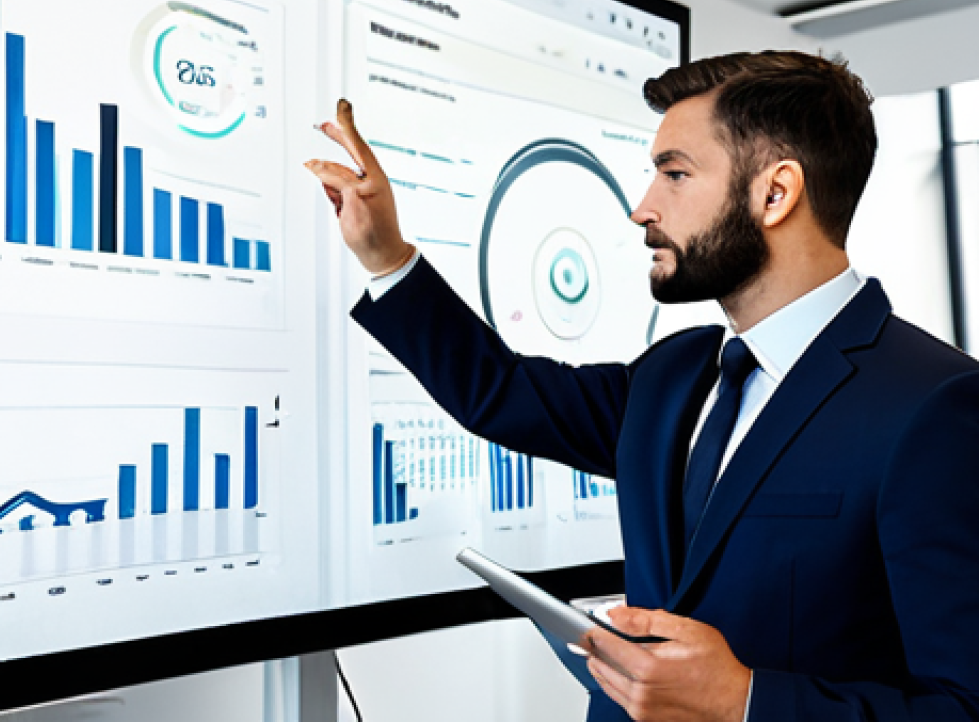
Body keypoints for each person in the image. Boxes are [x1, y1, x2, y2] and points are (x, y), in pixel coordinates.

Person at [305, 51, 979, 722]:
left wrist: (743, 700)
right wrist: (387, 256)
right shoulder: (673, 374)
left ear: (776, 193)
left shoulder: (934, 406)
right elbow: (501, 392)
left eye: (675, 174)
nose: (642, 209)